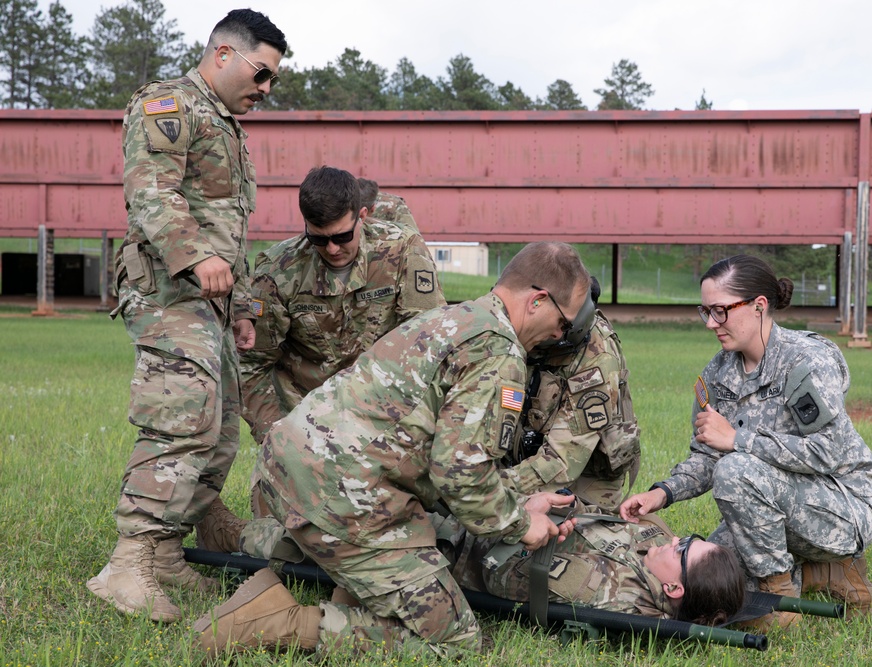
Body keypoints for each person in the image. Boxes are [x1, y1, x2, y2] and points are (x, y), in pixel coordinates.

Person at [193, 242, 594, 658]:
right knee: (458, 642)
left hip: (296, 469)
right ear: (538, 300)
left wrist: (518, 501)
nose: (558, 336)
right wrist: (519, 525)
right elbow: (460, 478)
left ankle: (355, 590)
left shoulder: (454, 317)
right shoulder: (498, 352)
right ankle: (269, 623)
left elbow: (441, 457)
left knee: (412, 565)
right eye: (563, 324)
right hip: (344, 499)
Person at [86, 9, 287, 624]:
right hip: (169, 294)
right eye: (261, 73)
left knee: (222, 426)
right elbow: (151, 191)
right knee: (181, 419)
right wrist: (195, 256)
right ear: (223, 55)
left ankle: (169, 551)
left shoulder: (227, 126)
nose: (266, 89)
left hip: (212, 303)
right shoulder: (169, 105)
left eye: (273, 79)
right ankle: (130, 561)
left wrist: (244, 306)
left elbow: (231, 231)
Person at [619, 254, 872, 630]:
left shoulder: (806, 362)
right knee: (710, 575)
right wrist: (660, 494)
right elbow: (708, 455)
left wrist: (739, 439)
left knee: (736, 470)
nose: (711, 323)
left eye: (720, 311)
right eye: (705, 311)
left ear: (759, 306)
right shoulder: (718, 372)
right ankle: (827, 575)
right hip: (768, 501)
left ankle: (780, 599)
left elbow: (831, 451)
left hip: (843, 506)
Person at [197, 166, 445, 556]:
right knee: (297, 546)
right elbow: (252, 367)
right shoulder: (279, 271)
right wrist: (277, 437)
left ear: (362, 215)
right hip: (306, 432)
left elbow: (431, 345)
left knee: (409, 532)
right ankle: (226, 531)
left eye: (342, 236)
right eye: (319, 239)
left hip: (386, 424)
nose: (332, 249)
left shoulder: (401, 251)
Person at [448, 507, 745, 627]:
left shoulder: (598, 587)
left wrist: (526, 515)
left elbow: (499, 577)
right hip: (522, 509)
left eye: (683, 548)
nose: (676, 539)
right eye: (691, 539)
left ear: (673, 588)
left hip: (462, 540)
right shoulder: (658, 561)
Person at [501, 277, 641, 511]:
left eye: (561, 326)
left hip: (584, 477)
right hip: (525, 457)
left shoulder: (597, 358)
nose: (555, 333)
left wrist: (487, 488)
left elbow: (563, 461)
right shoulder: (519, 324)